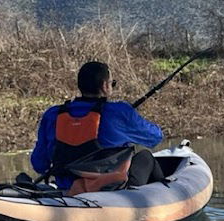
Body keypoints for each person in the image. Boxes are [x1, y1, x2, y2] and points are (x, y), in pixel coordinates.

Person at [31, 61, 164, 191]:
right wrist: (130, 117)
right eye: (112, 83)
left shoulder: (52, 114)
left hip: (70, 190)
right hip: (113, 191)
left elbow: (39, 165)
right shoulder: (119, 112)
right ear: (105, 86)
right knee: (145, 157)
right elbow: (155, 138)